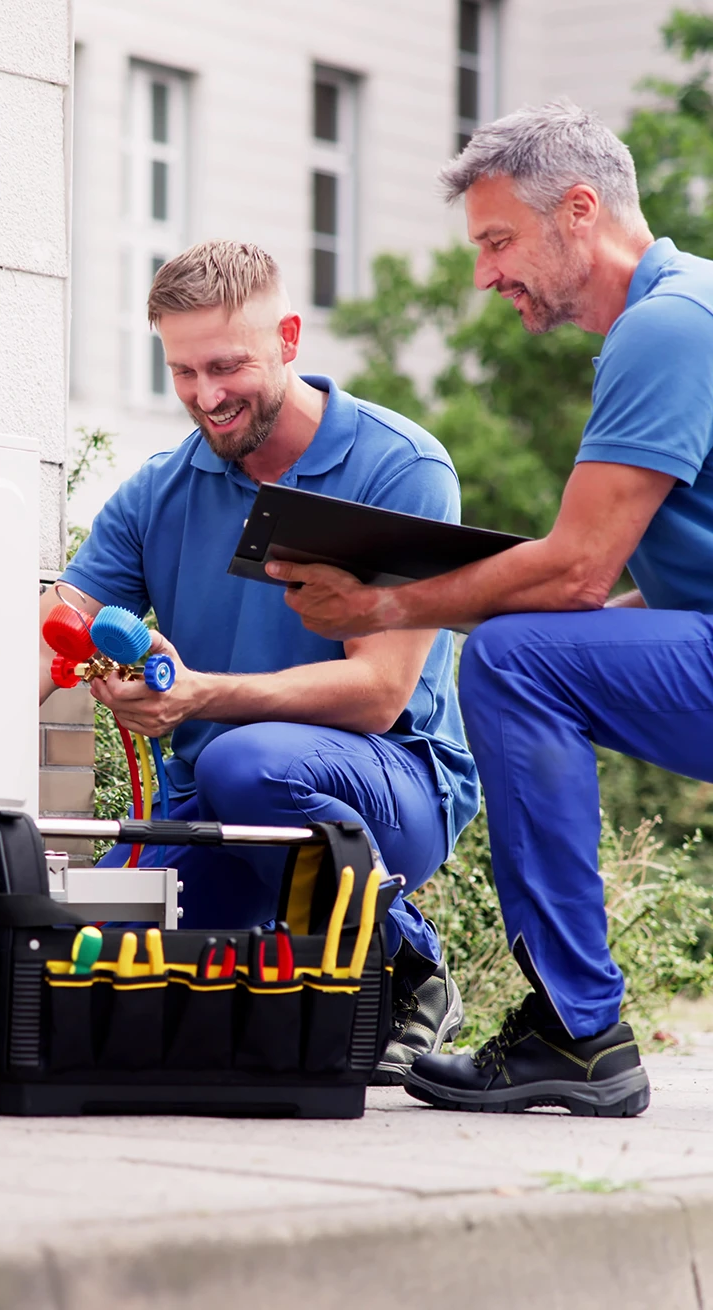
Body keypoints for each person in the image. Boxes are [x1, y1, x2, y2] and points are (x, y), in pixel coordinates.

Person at [268, 100, 706, 1118]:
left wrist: (385, 605)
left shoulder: (668, 325)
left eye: (500, 240)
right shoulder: (688, 312)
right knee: (539, 645)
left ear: (581, 211)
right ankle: (573, 1024)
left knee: (514, 656)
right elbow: (634, 589)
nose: (485, 274)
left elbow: (576, 573)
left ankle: (575, 1026)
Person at [40, 239, 480, 1083]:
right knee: (77, 967)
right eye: (183, 371)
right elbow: (54, 625)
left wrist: (199, 695)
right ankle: (308, 966)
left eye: (226, 366)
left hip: (390, 787)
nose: (206, 397)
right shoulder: (159, 491)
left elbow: (381, 694)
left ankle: (406, 962)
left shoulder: (399, 468)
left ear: (288, 336)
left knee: (247, 758)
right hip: (214, 805)